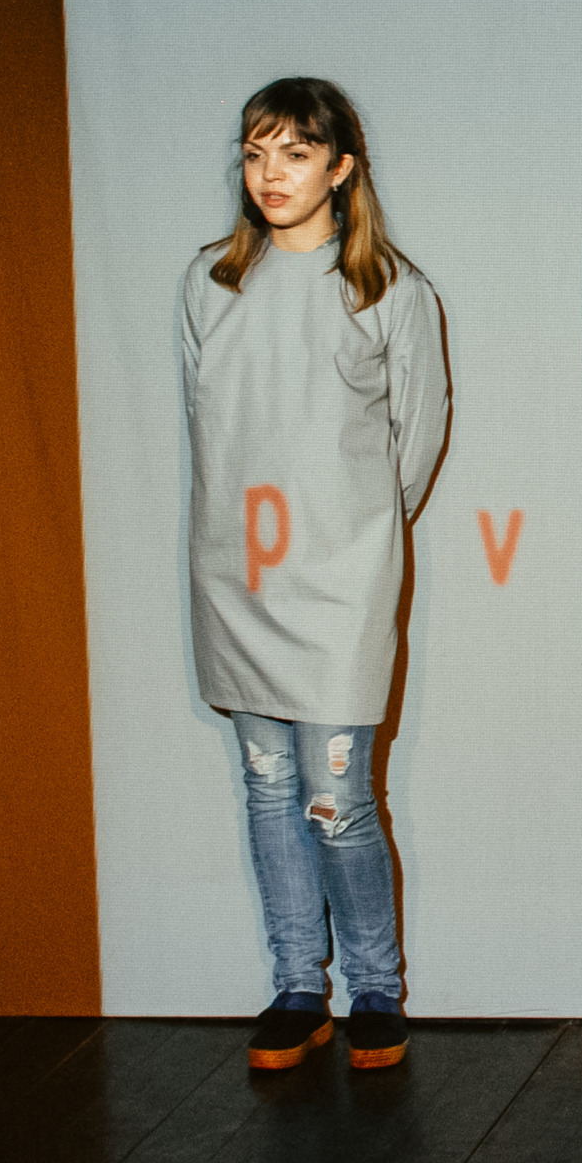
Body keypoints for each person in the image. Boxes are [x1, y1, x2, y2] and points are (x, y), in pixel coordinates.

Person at [183, 77, 449, 1074]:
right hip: (236, 581)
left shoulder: (387, 291)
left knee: (338, 799)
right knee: (266, 790)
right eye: (256, 154)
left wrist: (352, 537)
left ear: (340, 168)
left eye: (294, 154)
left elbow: (416, 441)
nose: (271, 175)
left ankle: (375, 989)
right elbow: (210, 432)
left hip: (340, 585)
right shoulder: (210, 283)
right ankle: (299, 986)